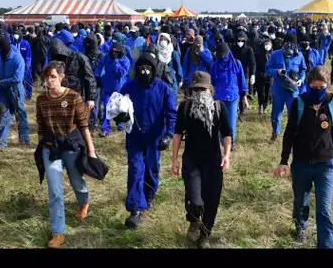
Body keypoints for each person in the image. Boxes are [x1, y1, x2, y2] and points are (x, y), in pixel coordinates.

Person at [274, 66, 333, 249]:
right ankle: (300, 228)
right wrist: (283, 161)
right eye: (315, 87)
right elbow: (289, 133)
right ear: (308, 85)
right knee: (300, 203)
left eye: (323, 87)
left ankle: (326, 245)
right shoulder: (299, 103)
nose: (319, 91)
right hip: (301, 164)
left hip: (325, 165)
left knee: (324, 210)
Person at [34, 61, 98, 248]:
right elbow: (40, 125)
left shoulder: (73, 97)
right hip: (50, 147)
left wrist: (91, 151)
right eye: (47, 76)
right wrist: (41, 147)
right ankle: (58, 232)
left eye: (53, 76)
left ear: (62, 77)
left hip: (70, 144)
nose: (49, 80)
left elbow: (84, 126)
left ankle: (83, 202)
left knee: (77, 182)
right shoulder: (41, 100)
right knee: (55, 190)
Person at [171, 71, 231, 249]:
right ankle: (194, 219)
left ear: (210, 89)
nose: (200, 92)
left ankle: (204, 236)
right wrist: (174, 159)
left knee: (212, 200)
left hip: (213, 161)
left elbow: (227, 133)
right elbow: (177, 134)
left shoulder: (219, 107)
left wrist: (227, 155)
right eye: (196, 89)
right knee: (194, 199)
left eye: (203, 88)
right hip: (191, 160)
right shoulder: (185, 108)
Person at [120, 53, 177, 229]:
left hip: (155, 137)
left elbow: (171, 113)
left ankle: (149, 193)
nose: (144, 71)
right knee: (136, 170)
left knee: (151, 169)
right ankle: (135, 210)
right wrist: (120, 117)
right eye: (141, 67)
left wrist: (168, 135)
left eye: (148, 67)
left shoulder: (163, 88)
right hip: (135, 137)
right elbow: (117, 108)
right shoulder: (128, 87)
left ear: (154, 69)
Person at [0, 33, 30, 150]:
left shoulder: (17, 59)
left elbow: (17, 78)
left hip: (16, 91)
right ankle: (1, 144)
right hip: (3, 92)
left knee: (20, 114)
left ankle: (24, 140)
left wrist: (0, 82)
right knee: (4, 115)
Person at [266, 42, 307, 141]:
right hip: (278, 89)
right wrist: (277, 72)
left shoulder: (299, 55)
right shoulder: (275, 54)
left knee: (293, 113)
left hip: (293, 90)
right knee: (276, 114)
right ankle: (275, 132)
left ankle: (293, 133)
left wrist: (301, 80)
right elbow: (267, 69)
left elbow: (303, 69)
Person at [210, 43, 248, 149]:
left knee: (231, 123)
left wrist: (244, 97)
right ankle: (221, 141)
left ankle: (231, 142)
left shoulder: (236, 64)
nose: (223, 57)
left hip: (232, 97)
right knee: (218, 122)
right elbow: (211, 82)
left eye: (224, 54)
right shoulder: (215, 65)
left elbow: (242, 81)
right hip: (218, 98)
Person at [48, 39, 97, 110]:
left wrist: (90, 98)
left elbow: (90, 78)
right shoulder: (55, 60)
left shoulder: (79, 57)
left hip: (78, 94)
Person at [95, 41, 130, 137]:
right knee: (107, 107)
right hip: (107, 87)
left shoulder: (125, 60)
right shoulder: (106, 57)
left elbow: (120, 74)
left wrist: (115, 61)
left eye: (117, 52)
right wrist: (97, 76)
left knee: (119, 107)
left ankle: (120, 124)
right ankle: (105, 129)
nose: (114, 54)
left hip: (120, 88)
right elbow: (99, 67)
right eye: (113, 52)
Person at [231, 32, 256, 120]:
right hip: (234, 73)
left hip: (245, 73)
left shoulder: (249, 49)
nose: (240, 42)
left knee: (243, 93)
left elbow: (252, 63)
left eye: (242, 40)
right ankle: (235, 110)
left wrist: (253, 74)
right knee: (234, 91)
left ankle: (241, 112)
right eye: (238, 40)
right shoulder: (233, 48)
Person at [83, 34, 104, 130]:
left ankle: (92, 123)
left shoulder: (100, 55)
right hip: (88, 81)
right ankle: (95, 119)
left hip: (96, 82)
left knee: (95, 103)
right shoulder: (85, 54)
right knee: (94, 102)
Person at [11, 30, 33, 100]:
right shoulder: (12, 44)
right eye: (14, 35)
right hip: (15, 66)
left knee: (27, 80)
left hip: (25, 66)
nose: (15, 37)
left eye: (17, 35)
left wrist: (27, 64)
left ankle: (28, 95)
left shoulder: (25, 44)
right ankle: (16, 95)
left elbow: (28, 55)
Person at [254, 37, 273, 117]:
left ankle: (265, 108)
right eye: (266, 44)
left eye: (268, 44)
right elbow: (256, 65)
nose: (267, 46)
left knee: (268, 93)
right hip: (261, 76)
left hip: (270, 77)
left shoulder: (273, 55)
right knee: (261, 92)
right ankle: (260, 107)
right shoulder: (258, 54)